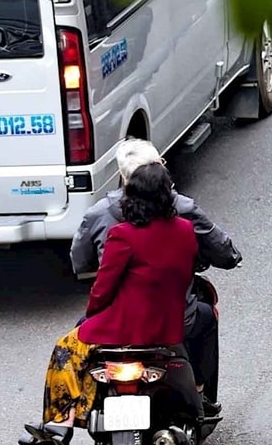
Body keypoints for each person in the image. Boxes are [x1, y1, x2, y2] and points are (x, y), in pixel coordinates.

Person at [25, 158, 202, 442]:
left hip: (126, 327)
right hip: (169, 327)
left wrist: (93, 314)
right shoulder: (184, 230)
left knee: (66, 349)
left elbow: (102, 289)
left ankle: (62, 421)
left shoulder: (123, 235)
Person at [70, 135, 238, 413]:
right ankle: (201, 394)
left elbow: (91, 274)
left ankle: (71, 412)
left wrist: (93, 313)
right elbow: (216, 247)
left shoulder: (109, 223)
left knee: (76, 342)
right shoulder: (184, 220)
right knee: (206, 318)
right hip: (173, 324)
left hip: (118, 325)